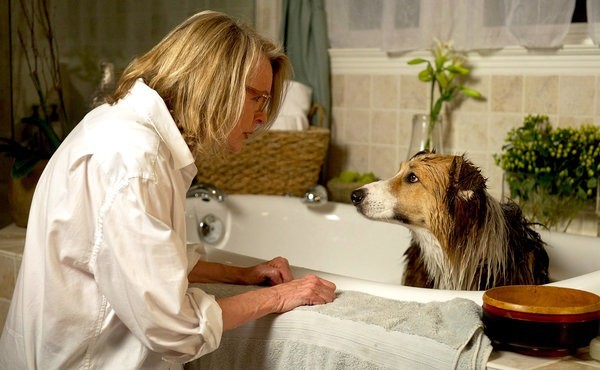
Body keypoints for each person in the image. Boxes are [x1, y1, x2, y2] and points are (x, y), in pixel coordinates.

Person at [0, 10, 336, 369]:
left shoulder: (125, 130)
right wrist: (281, 297)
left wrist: (242, 275)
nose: (261, 117)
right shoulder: (134, 161)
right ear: (216, 85)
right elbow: (177, 330)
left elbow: (146, 264)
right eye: (258, 99)